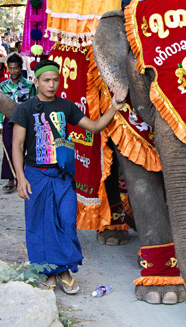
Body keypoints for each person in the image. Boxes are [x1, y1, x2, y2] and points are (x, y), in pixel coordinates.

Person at [11, 60, 126, 292]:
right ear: (36, 82)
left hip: (62, 176)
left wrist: (114, 106)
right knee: (39, 225)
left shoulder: (66, 106)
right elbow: (17, 145)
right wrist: (20, 178)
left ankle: (63, 268)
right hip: (36, 175)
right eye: (46, 80)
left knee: (66, 221)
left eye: (55, 80)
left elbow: (94, 127)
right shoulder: (25, 109)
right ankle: (50, 273)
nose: (51, 85)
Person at [0, 53, 36, 193]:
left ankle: (24, 176)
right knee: (8, 147)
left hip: (25, 120)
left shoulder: (29, 85)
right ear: (7, 69)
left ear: (21, 68)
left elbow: (34, 104)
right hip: (8, 120)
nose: (13, 71)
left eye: (16, 68)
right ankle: (11, 178)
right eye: (10, 68)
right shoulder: (3, 86)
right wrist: (0, 125)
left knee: (25, 147)